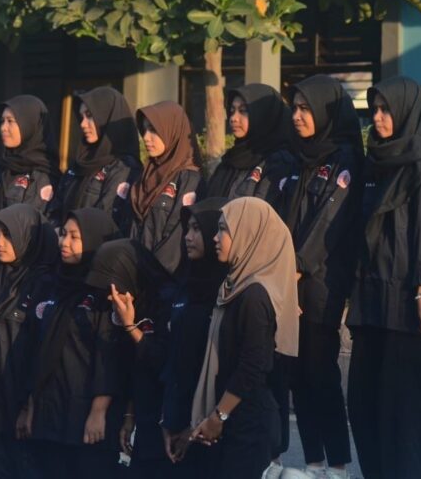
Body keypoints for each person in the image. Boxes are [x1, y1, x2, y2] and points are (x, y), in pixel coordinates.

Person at [346, 76, 421, 479]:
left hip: (405, 304)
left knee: (403, 412)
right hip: (370, 301)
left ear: (405, 112)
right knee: (364, 404)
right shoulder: (376, 162)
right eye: (374, 110)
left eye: (386, 110)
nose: (378, 118)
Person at [277, 75, 364, 479]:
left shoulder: (344, 159)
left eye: (305, 108)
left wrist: (294, 269)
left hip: (319, 284)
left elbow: (329, 220)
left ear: (326, 112)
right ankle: (312, 462)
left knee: (321, 372)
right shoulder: (300, 158)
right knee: (296, 374)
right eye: (294, 108)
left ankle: (338, 465)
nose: (297, 116)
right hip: (289, 280)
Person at [189, 197, 299, 479]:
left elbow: (253, 365)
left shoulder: (254, 295)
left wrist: (219, 416)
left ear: (248, 235)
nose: (215, 238)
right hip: (235, 418)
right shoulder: (235, 287)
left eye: (223, 230)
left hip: (247, 423)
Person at [24, 208, 125, 479]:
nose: (64, 243)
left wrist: (98, 411)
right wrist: (31, 405)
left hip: (83, 413)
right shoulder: (54, 284)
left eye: (75, 237)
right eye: (63, 234)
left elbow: (108, 355)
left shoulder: (104, 293)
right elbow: (38, 349)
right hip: (50, 408)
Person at [0, 203, 58, 477]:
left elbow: (41, 352)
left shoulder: (44, 285)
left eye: (8, 235)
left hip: (17, 403)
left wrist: (28, 405)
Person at [159, 198, 229, 478]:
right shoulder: (184, 285)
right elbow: (175, 358)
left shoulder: (228, 292)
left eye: (197, 229)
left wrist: (197, 425)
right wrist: (169, 420)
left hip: (210, 430)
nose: (188, 237)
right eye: (187, 229)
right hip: (177, 420)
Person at [99, 238, 173, 475]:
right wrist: (129, 416)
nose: (112, 297)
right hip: (141, 417)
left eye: (115, 286)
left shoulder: (165, 301)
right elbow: (134, 368)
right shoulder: (130, 304)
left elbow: (162, 361)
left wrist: (131, 327)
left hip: (167, 422)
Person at [47, 87, 140, 232]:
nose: (83, 124)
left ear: (107, 117)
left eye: (89, 115)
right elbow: (55, 209)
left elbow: (105, 219)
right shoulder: (80, 163)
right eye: (82, 117)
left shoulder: (124, 167)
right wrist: (59, 234)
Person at [130, 101, 202, 276]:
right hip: (134, 275)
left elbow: (176, 241)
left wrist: (149, 278)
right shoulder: (146, 174)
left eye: (153, 130)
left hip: (164, 281)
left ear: (172, 131)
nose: (146, 137)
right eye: (144, 130)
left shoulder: (188, 179)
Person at [205, 84, 294, 203]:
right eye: (232, 111)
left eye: (243, 111)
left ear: (263, 115)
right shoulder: (229, 162)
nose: (233, 118)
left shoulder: (278, 163)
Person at [0, 95, 61, 212]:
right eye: (2, 121)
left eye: (10, 121)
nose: (3, 128)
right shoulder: (1, 168)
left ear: (29, 125)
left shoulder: (43, 176)